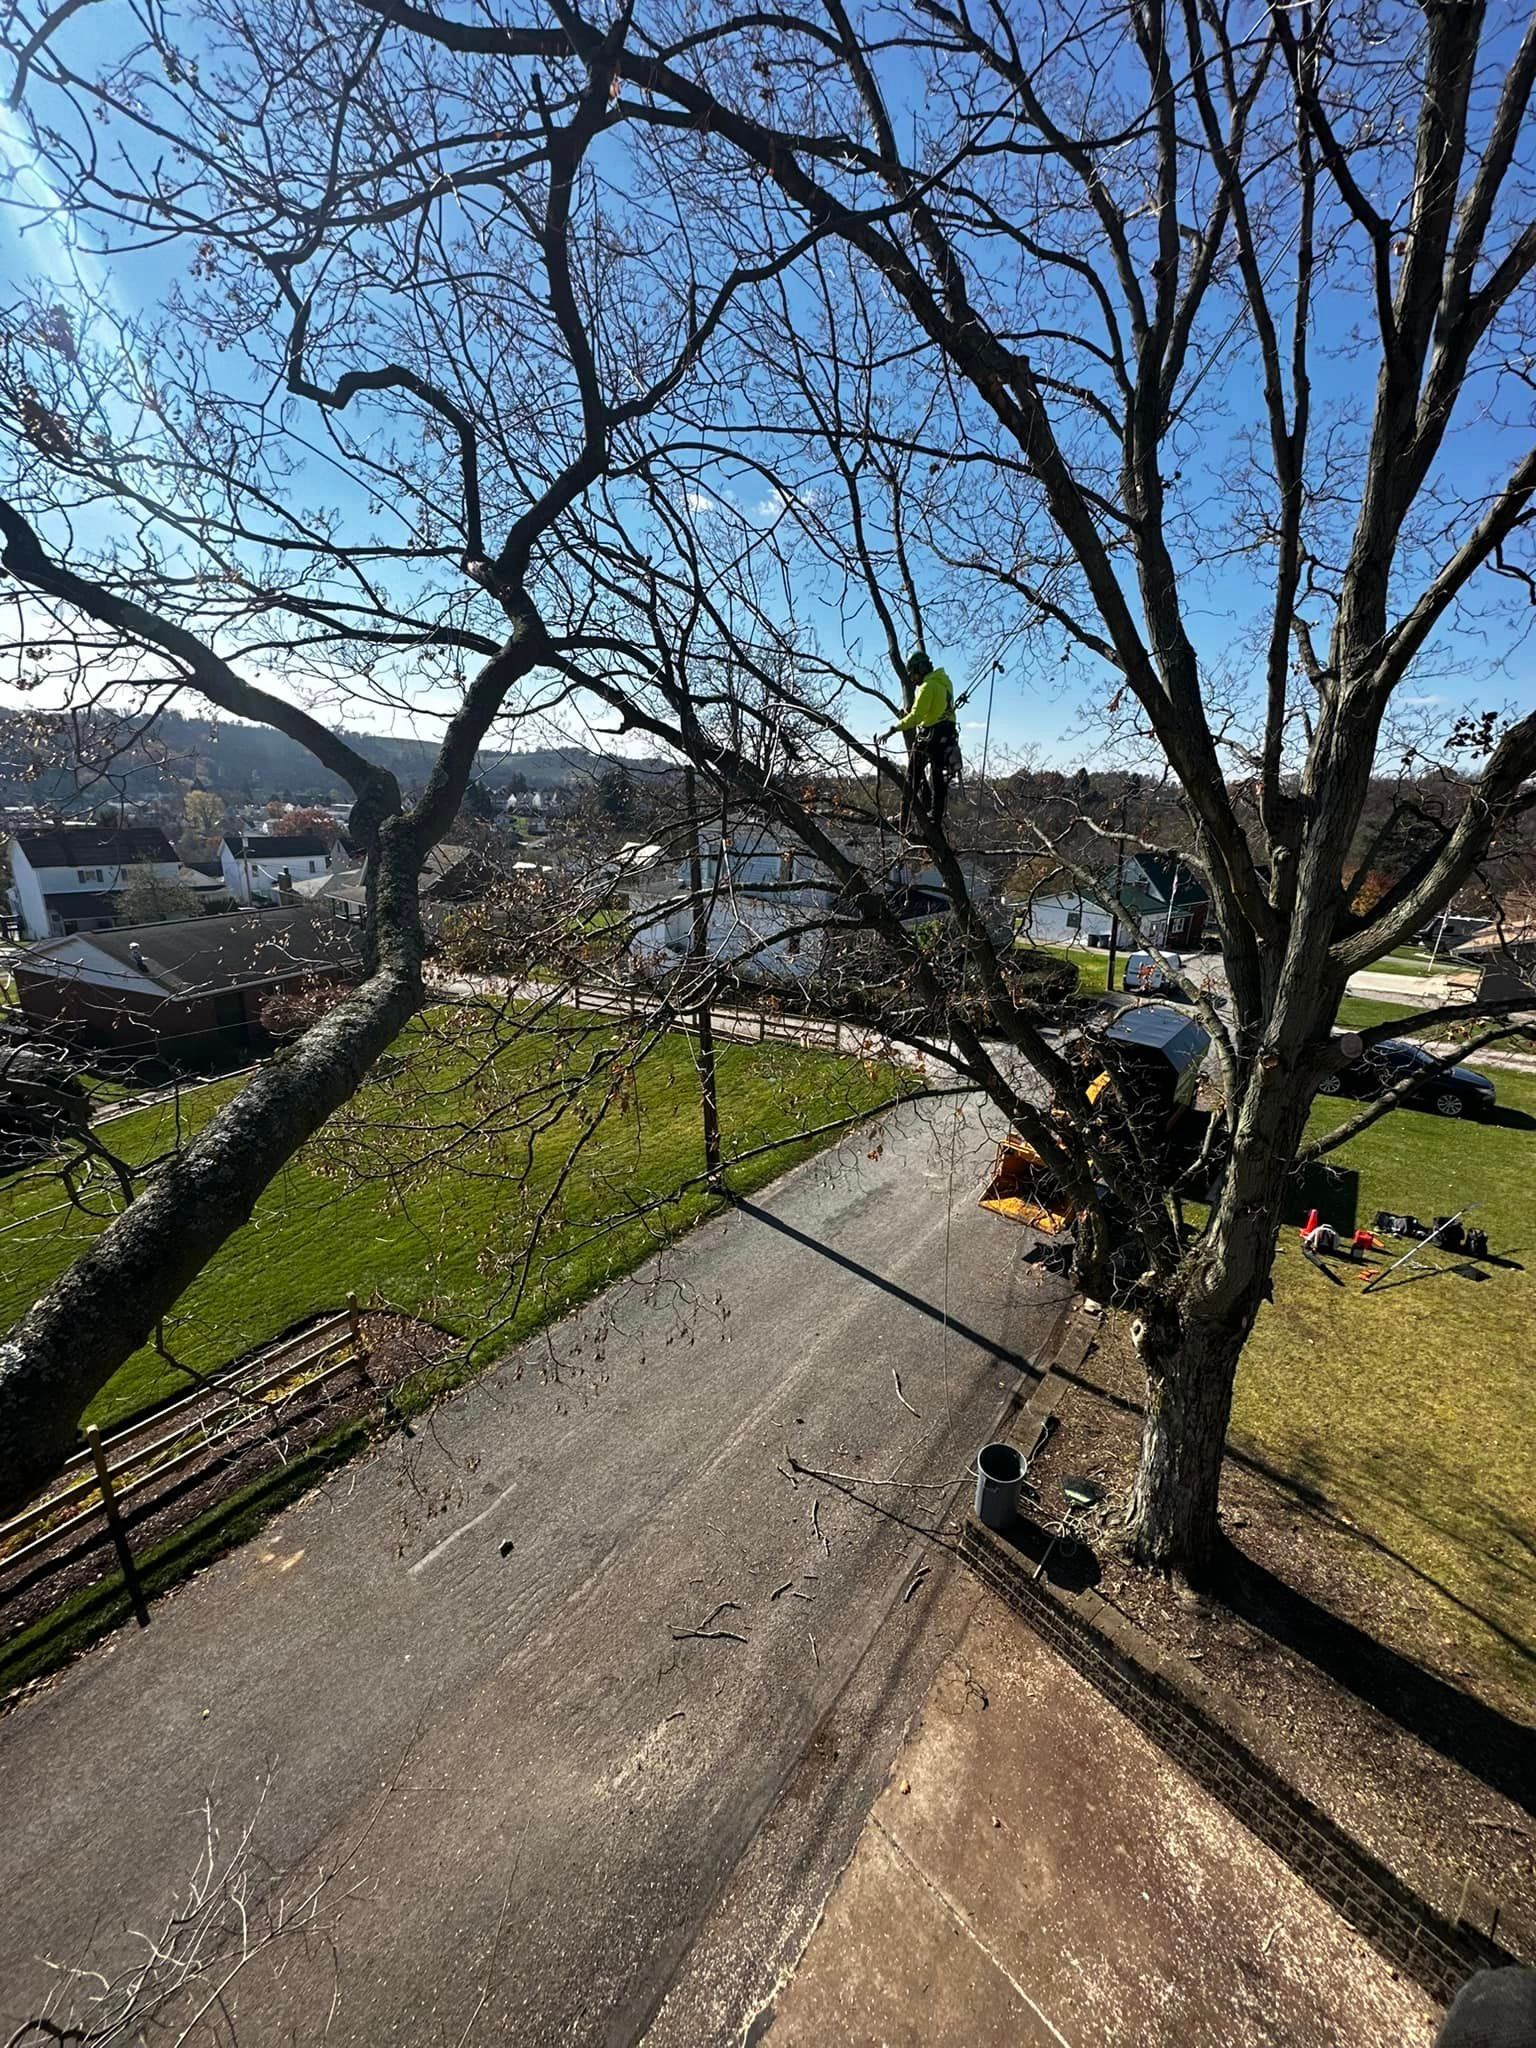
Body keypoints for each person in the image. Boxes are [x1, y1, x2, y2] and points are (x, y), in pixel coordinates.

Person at [882, 648, 961, 831]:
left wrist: (894, 728)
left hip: (930, 737)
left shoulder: (928, 687)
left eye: (914, 674)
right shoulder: (945, 682)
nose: (914, 679)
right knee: (937, 778)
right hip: (948, 735)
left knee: (912, 778)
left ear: (920, 669)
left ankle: (905, 819)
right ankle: (935, 817)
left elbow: (917, 717)